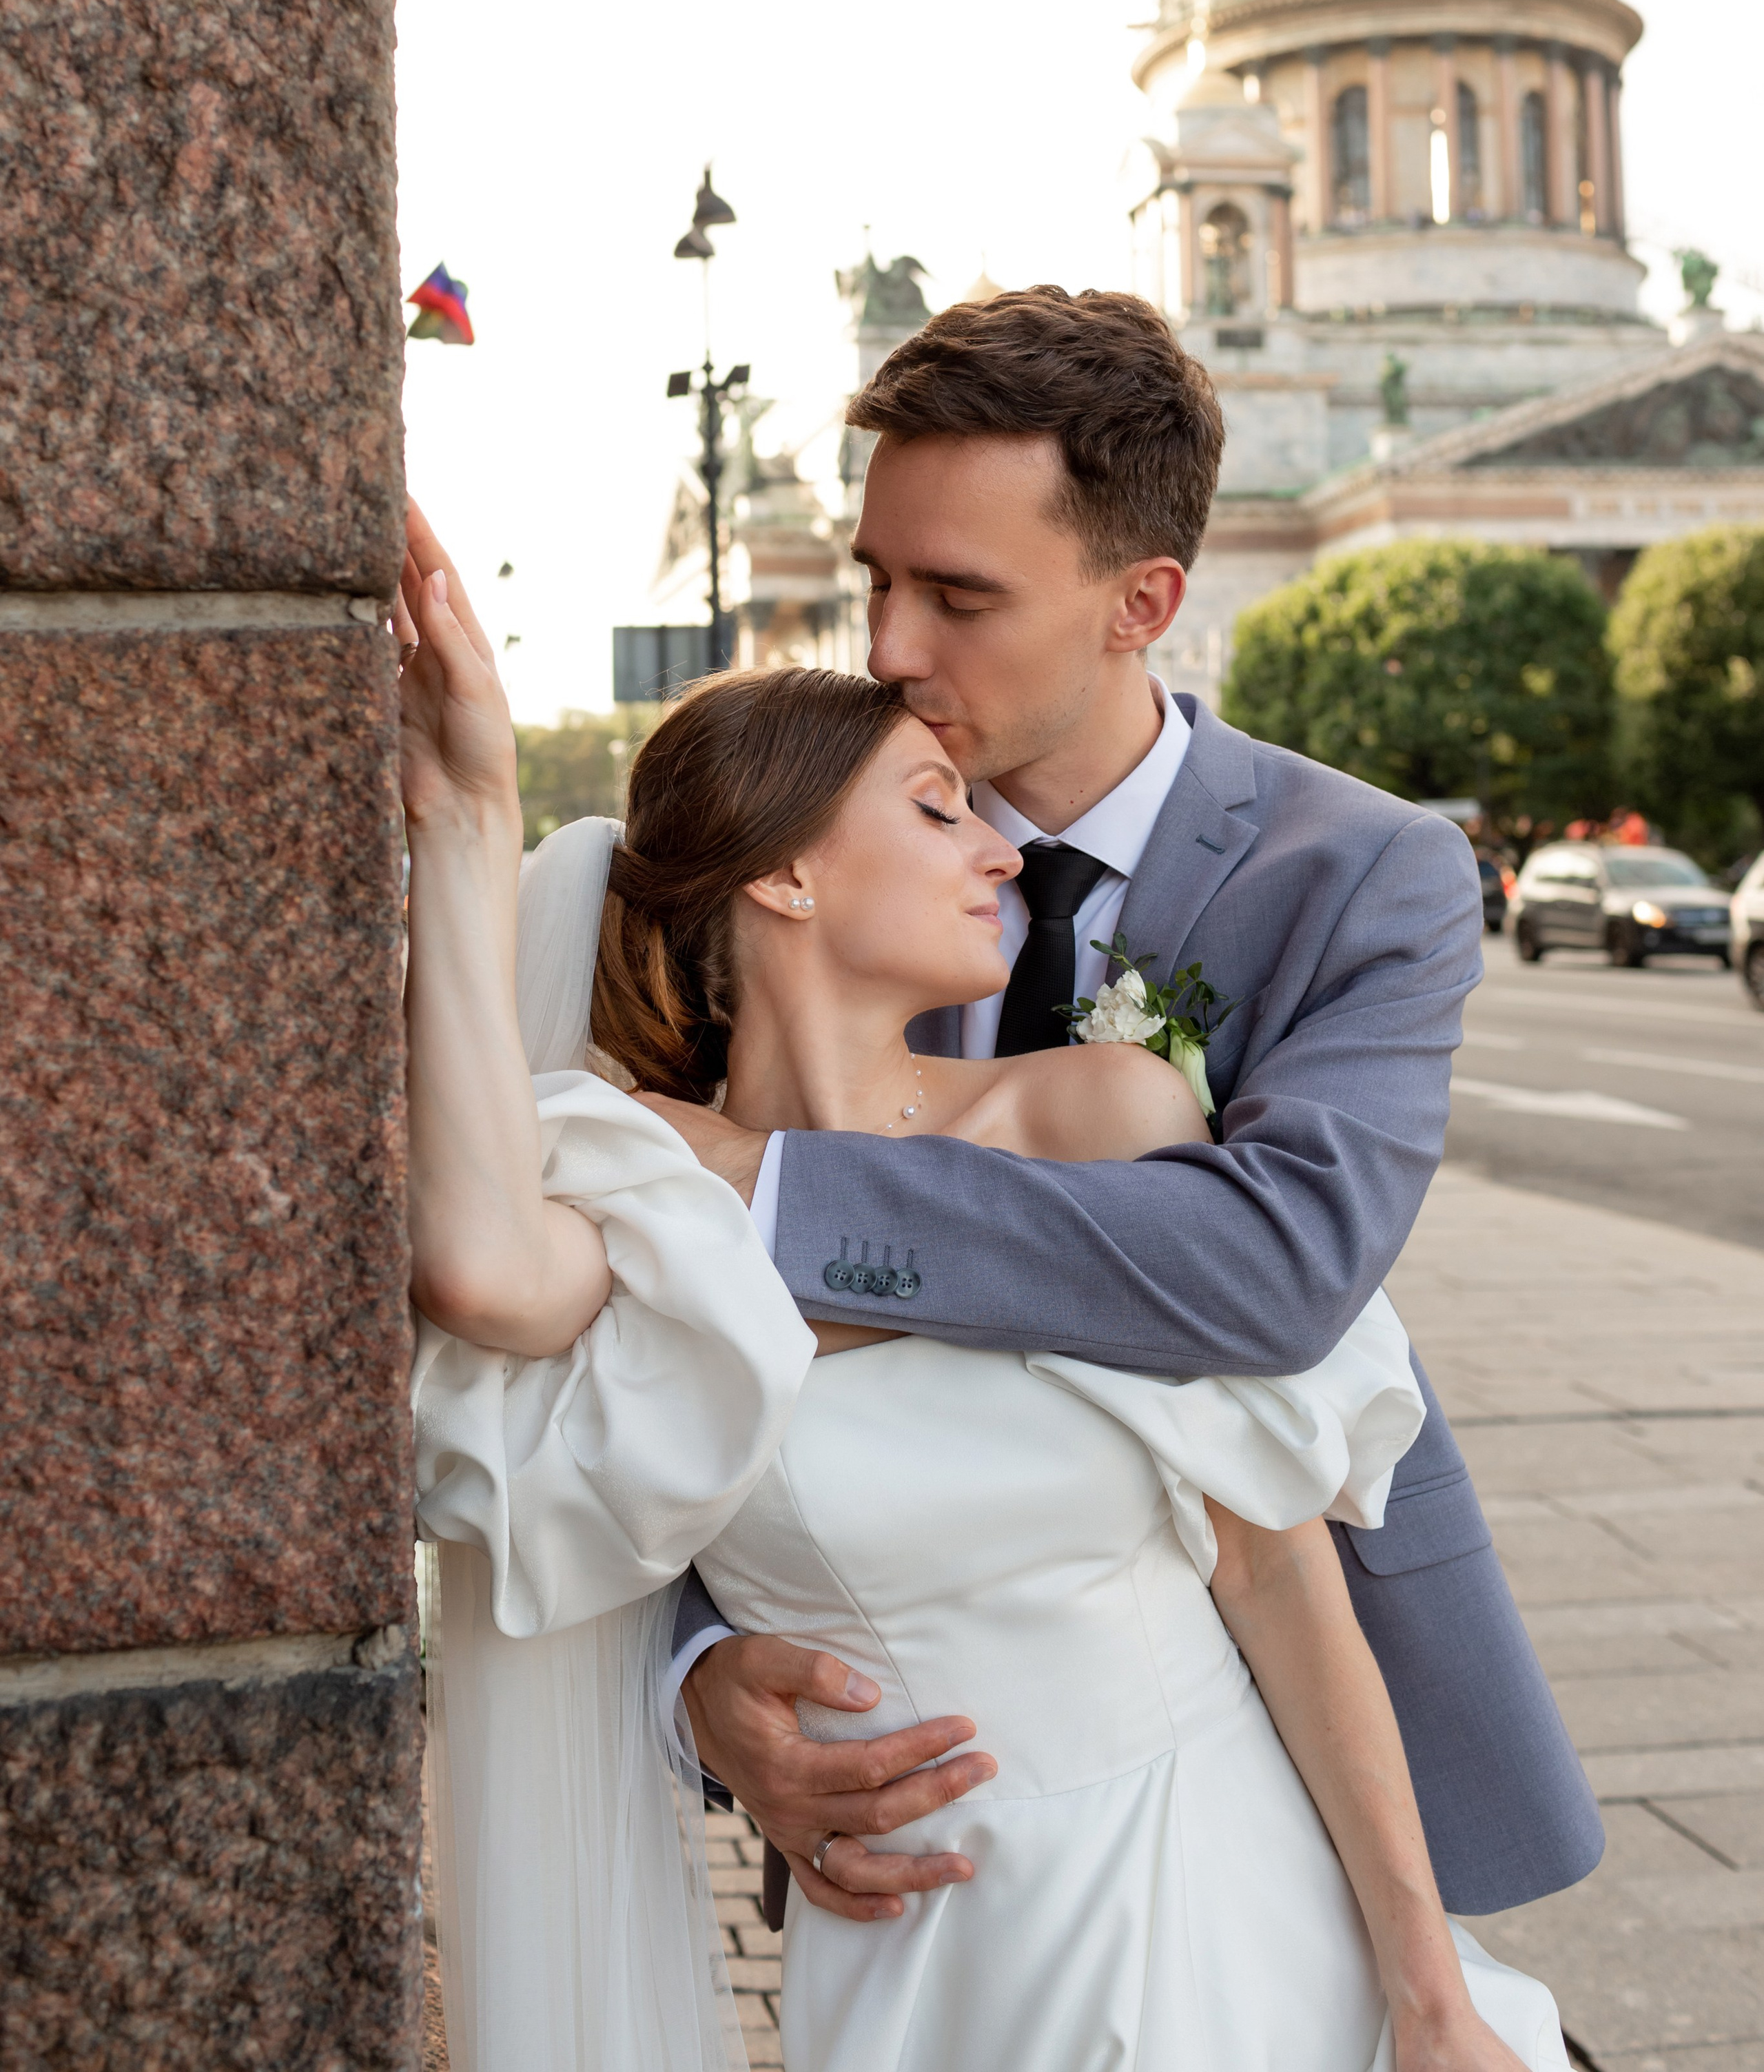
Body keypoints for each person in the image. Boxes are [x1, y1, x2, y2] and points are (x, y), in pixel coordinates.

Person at [399, 518, 1567, 2070]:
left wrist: (1424, 1988)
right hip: (916, 1954)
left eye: (953, 592)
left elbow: (1273, 1576)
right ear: (792, 878)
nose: (999, 851)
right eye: (936, 808)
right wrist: (470, 808)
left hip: (1217, 1905)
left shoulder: (1099, 1113)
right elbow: (477, 1269)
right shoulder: (633, 1185)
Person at [644, 287, 1602, 1931]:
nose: (884, 648)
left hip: (1301, 1713)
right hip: (933, 1792)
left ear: (1138, 600)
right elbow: (650, 1354)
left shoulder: (1365, 873)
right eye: (879, 578)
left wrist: (766, 1200)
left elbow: (1277, 1272)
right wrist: (700, 1671)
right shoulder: (792, 856)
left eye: (956, 594)